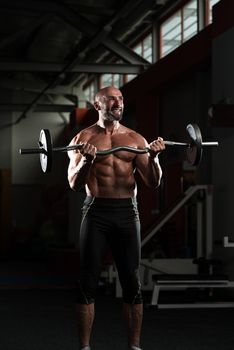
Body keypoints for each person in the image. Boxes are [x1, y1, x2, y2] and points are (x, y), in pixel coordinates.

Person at [67, 86, 165, 350]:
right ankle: (84, 347)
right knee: (87, 281)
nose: (117, 103)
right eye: (111, 99)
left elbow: (153, 183)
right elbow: (75, 185)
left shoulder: (136, 140)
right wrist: (86, 161)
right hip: (95, 211)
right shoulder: (82, 138)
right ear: (98, 105)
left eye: (120, 99)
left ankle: (134, 347)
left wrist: (153, 157)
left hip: (126, 212)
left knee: (132, 280)